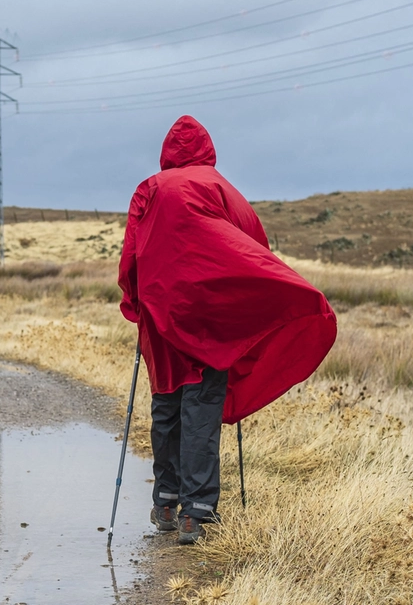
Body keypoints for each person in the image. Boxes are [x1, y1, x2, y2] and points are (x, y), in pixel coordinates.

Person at [117, 115, 338, 545]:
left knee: (166, 403)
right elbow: (253, 245)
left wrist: (137, 303)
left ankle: (165, 499)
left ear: (167, 153)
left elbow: (130, 258)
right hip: (211, 320)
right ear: (206, 149)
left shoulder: (149, 189)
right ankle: (195, 514)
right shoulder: (222, 189)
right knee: (201, 405)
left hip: (162, 320)